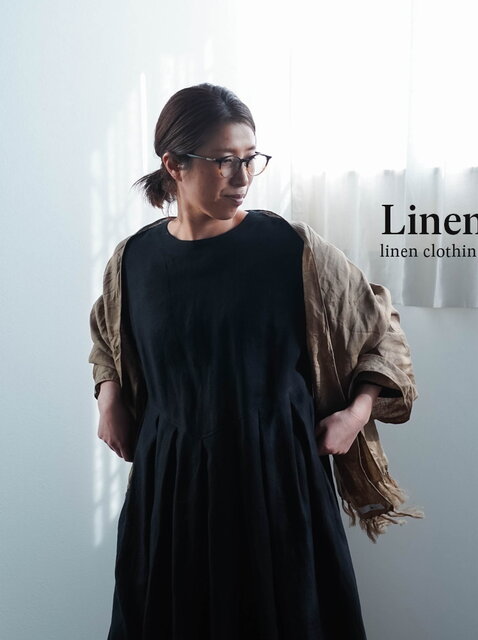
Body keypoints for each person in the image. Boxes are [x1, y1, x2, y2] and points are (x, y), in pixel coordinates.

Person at [89, 83, 420, 640]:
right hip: (171, 486)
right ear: (173, 164)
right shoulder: (134, 260)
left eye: (250, 159)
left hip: (277, 479)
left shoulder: (292, 250)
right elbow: (108, 337)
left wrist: (355, 414)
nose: (241, 177)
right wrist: (109, 397)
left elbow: (380, 329)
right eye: (223, 161)